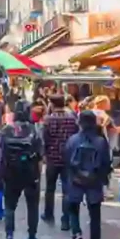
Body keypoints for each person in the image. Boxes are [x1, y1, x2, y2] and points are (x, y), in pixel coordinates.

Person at [64, 110, 111, 239]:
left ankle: (76, 233)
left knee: (72, 207)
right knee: (95, 212)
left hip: (76, 179)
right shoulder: (101, 141)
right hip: (94, 180)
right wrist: (104, 180)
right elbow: (106, 162)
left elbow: (67, 159)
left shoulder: (73, 140)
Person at [0, 101, 43, 239]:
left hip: (11, 172)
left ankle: (9, 235)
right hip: (30, 172)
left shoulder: (6, 130)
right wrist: (38, 175)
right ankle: (31, 237)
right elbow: (40, 155)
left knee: (10, 206)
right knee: (32, 206)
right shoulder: (34, 130)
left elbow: (1, 153)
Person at [41, 94, 79, 230]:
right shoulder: (72, 119)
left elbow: (44, 139)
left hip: (52, 158)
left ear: (52, 104)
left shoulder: (48, 120)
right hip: (68, 159)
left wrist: (44, 154)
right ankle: (65, 219)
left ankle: (48, 214)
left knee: (50, 188)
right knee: (67, 190)